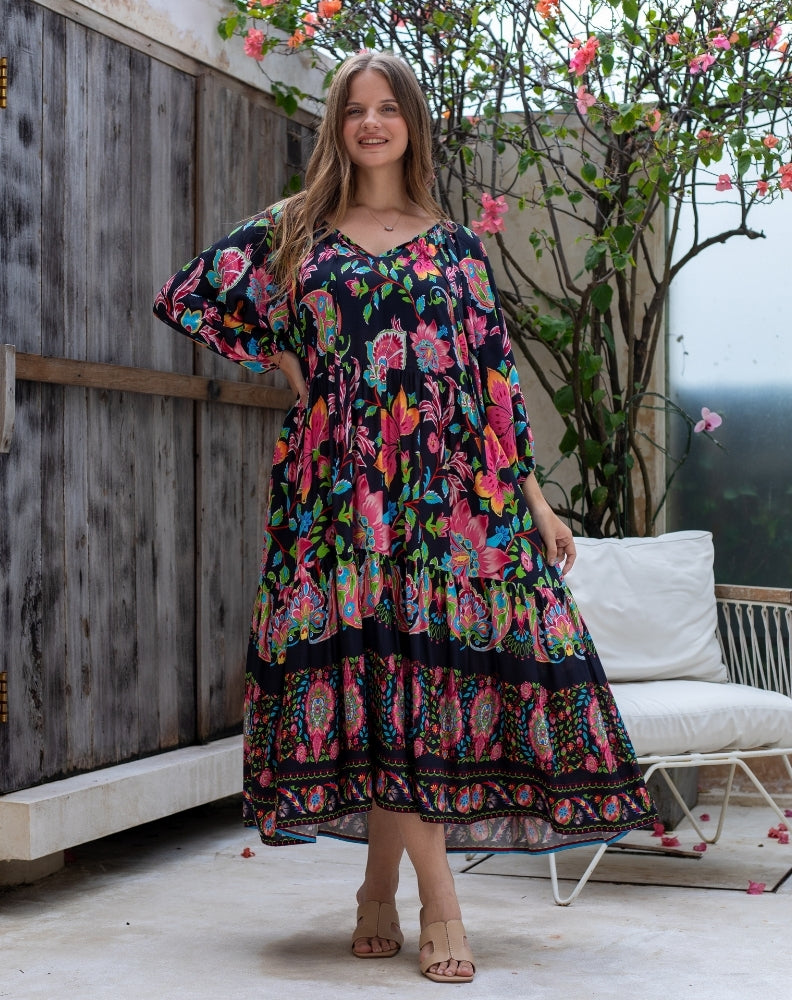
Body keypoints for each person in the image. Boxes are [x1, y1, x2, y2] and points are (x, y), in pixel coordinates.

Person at [154, 51, 656, 984]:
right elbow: (189, 295)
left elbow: (494, 384)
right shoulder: (296, 229)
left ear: (411, 124)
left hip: (453, 497)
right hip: (336, 494)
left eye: (388, 109)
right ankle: (440, 902)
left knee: (409, 677)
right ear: (337, 127)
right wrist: (280, 356)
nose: (372, 124)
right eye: (356, 111)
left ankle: (382, 888)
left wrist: (537, 501)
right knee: (380, 669)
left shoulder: (457, 246)